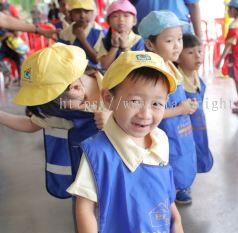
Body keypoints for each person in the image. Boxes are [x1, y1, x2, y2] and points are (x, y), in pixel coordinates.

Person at [67, 51, 184, 233]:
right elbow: (85, 207)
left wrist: (176, 220)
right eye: (135, 101)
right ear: (109, 99)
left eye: (156, 104)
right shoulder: (98, 152)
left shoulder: (160, 139)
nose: (145, 114)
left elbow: (164, 189)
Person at [0, 43, 110, 198]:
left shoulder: (119, 88)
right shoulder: (63, 108)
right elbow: (31, 123)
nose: (55, 113)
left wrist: (114, 121)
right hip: (87, 184)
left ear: (76, 87)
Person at [138, 11, 198, 204]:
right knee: (164, 161)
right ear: (150, 44)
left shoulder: (170, 66)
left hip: (179, 128)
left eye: (179, 39)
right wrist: (181, 109)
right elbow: (148, 112)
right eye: (170, 40)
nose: (177, 45)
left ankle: (179, 186)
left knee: (181, 157)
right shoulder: (153, 73)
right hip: (162, 131)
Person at [178, 33, 213, 173]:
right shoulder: (177, 81)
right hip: (183, 127)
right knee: (183, 153)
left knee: (198, 149)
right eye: (190, 52)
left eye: (200, 51)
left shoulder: (197, 77)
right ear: (178, 57)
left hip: (198, 124)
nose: (198, 56)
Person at [98, 0, 144, 70]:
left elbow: (139, 65)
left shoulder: (138, 40)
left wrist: (125, 47)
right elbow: (104, 66)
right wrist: (114, 47)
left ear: (134, 21)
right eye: (115, 16)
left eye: (126, 16)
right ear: (108, 21)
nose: (121, 19)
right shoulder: (105, 40)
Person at [59, 0, 104, 70]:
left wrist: (83, 40)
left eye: (86, 11)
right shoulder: (64, 33)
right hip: (69, 71)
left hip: (92, 73)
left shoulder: (98, 34)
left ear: (92, 13)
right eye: (77, 12)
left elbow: (97, 60)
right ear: (70, 14)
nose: (82, 15)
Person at [131, 0, 202, 38]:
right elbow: (126, 6)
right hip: (145, 32)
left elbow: (193, 5)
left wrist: (199, 38)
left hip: (178, 28)